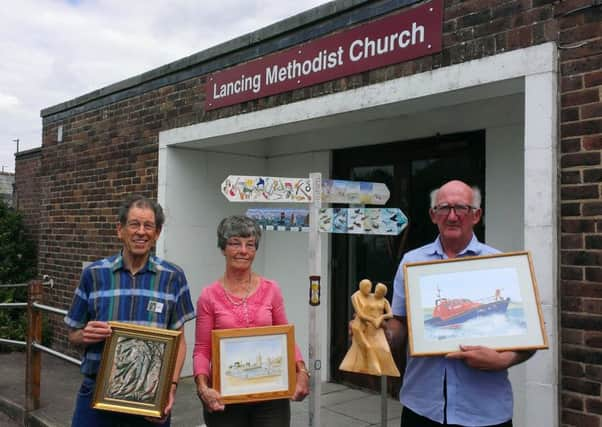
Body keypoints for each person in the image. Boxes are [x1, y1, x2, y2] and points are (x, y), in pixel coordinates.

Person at [389, 180, 534, 427]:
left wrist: (503, 360)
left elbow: (531, 337)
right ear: (433, 215)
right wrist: (378, 334)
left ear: (476, 215)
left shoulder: (501, 265)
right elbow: (400, 325)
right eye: (444, 208)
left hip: (484, 411)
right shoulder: (411, 264)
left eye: (461, 208)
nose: (452, 216)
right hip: (422, 408)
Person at [64, 195, 196, 427]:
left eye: (149, 226)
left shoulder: (173, 277)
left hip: (151, 396)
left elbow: (180, 342)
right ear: (120, 229)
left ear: (157, 233)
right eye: (134, 224)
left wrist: (171, 387)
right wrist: (84, 335)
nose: (141, 232)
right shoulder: (94, 275)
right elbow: (72, 334)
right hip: (97, 396)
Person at [193, 215, 309, 427]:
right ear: (223, 248)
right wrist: (203, 388)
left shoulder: (271, 289)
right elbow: (202, 349)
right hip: (224, 397)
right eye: (235, 243)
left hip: (271, 396)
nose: (243, 251)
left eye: (250, 245)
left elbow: (286, 338)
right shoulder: (208, 296)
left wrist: (301, 371)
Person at [340, 279, 399, 377]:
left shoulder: (384, 300)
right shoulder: (360, 297)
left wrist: (381, 317)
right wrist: (372, 320)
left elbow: (390, 314)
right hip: (366, 326)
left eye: (379, 292)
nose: (374, 292)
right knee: (366, 347)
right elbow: (361, 314)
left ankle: (382, 369)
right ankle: (374, 368)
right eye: (375, 290)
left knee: (385, 349)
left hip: (377, 327)